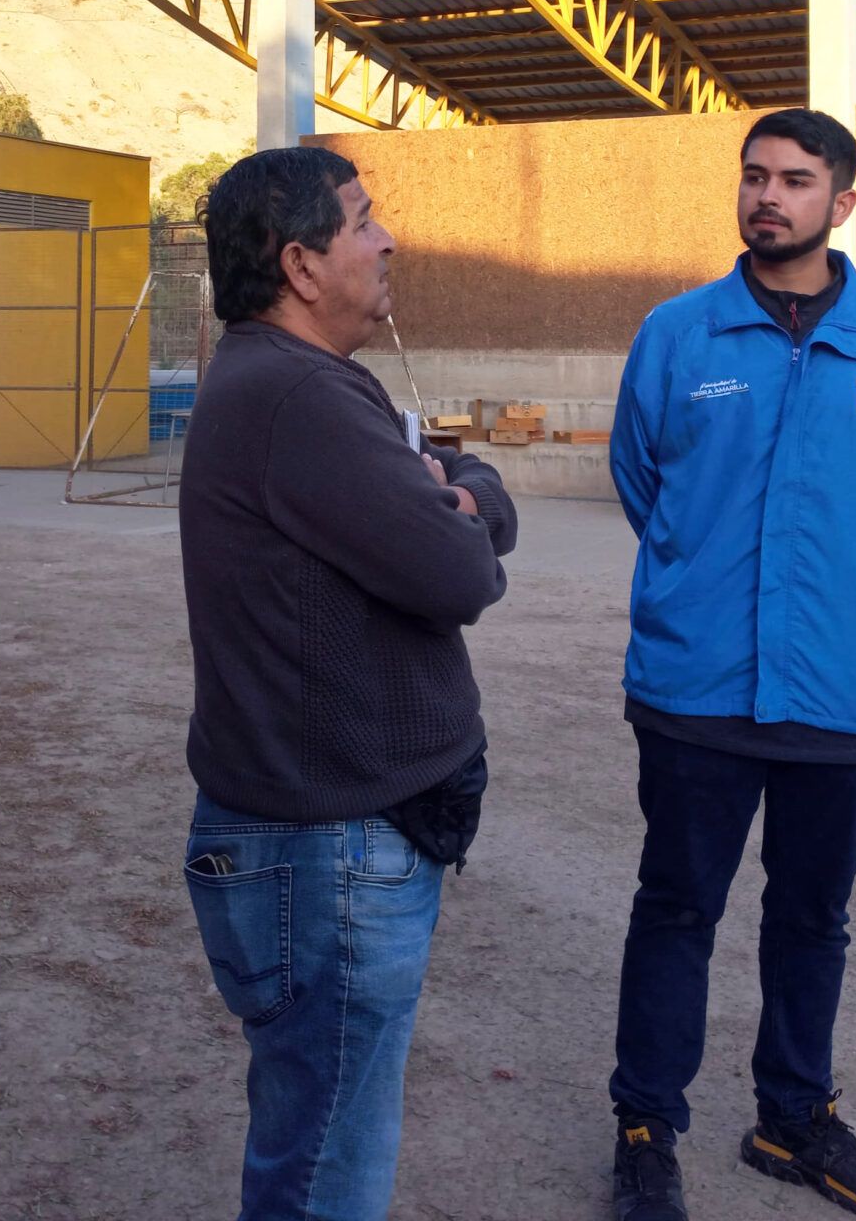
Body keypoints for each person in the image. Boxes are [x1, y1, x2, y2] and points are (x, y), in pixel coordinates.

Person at [604, 109, 856, 1221]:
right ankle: (646, 1126)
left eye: (796, 181)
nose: (769, 197)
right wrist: (699, 584)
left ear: (840, 204)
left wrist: (842, 594)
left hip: (844, 695)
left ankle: (791, 1120)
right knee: (675, 908)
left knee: (813, 918)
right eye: (754, 177)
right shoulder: (677, 336)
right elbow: (640, 482)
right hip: (697, 688)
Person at [177, 145, 517, 1221]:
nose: (388, 240)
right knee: (328, 1157)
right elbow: (464, 569)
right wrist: (454, 502)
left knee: (312, 1126)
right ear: (302, 266)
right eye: (363, 221)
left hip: (316, 846)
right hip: (325, 854)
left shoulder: (305, 385)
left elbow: (466, 502)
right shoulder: (299, 399)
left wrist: (453, 488)